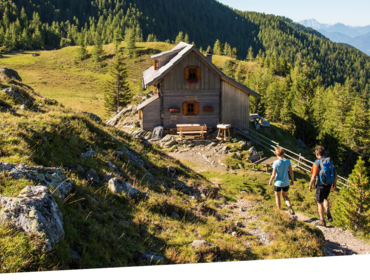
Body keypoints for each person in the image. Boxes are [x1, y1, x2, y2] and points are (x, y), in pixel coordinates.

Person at [309, 146, 338, 227]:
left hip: (320, 184)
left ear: (317, 153)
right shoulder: (329, 161)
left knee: (319, 202)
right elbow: (335, 173)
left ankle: (322, 220)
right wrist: (334, 183)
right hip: (328, 183)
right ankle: (328, 212)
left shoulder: (317, 162)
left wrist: (310, 185)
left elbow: (314, 176)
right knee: (325, 198)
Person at [269, 147, 295, 215]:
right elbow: (291, 172)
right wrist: (292, 180)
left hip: (278, 183)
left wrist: (270, 181)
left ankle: (279, 211)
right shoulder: (287, 161)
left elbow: (273, 174)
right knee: (285, 196)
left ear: (276, 154)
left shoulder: (275, 163)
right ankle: (290, 207)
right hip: (286, 182)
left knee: (277, 196)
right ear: (283, 153)